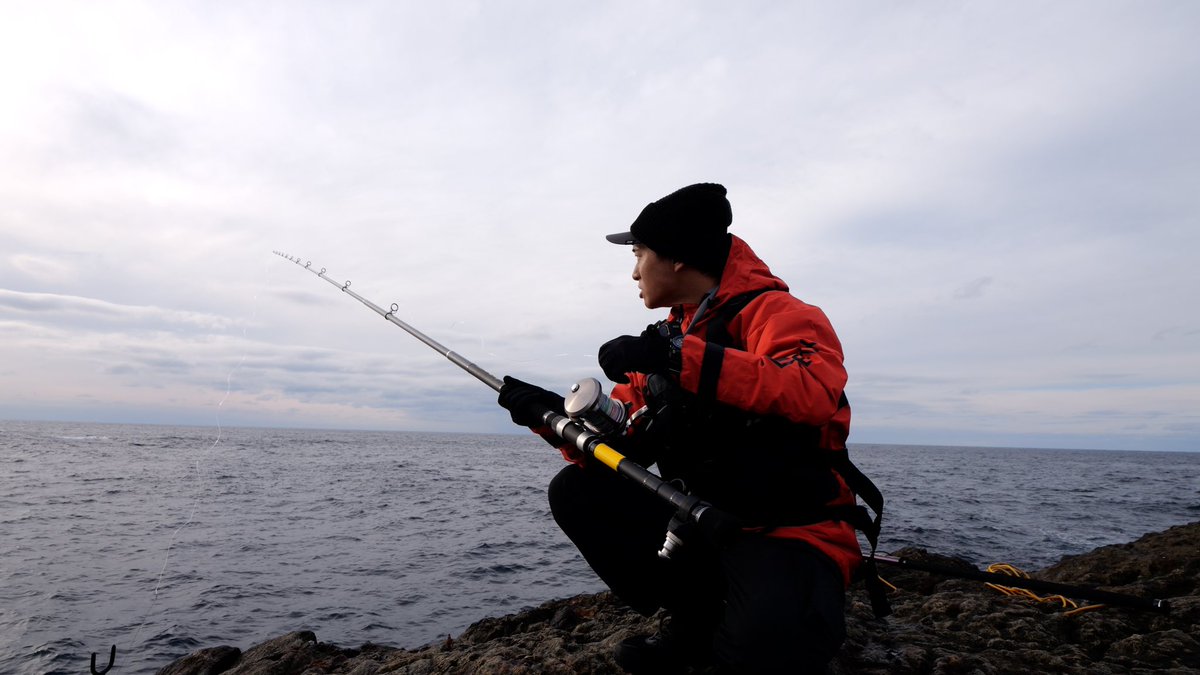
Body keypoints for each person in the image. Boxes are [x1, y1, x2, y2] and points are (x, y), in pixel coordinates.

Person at [499, 183, 867, 674]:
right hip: (701, 524)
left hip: (791, 532)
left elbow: (810, 390)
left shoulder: (781, 316)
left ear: (675, 257)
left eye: (639, 254)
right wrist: (552, 417)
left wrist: (677, 357)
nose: (633, 271)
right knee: (577, 490)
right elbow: (624, 440)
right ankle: (694, 618)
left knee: (761, 656)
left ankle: (775, 609)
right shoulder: (668, 338)